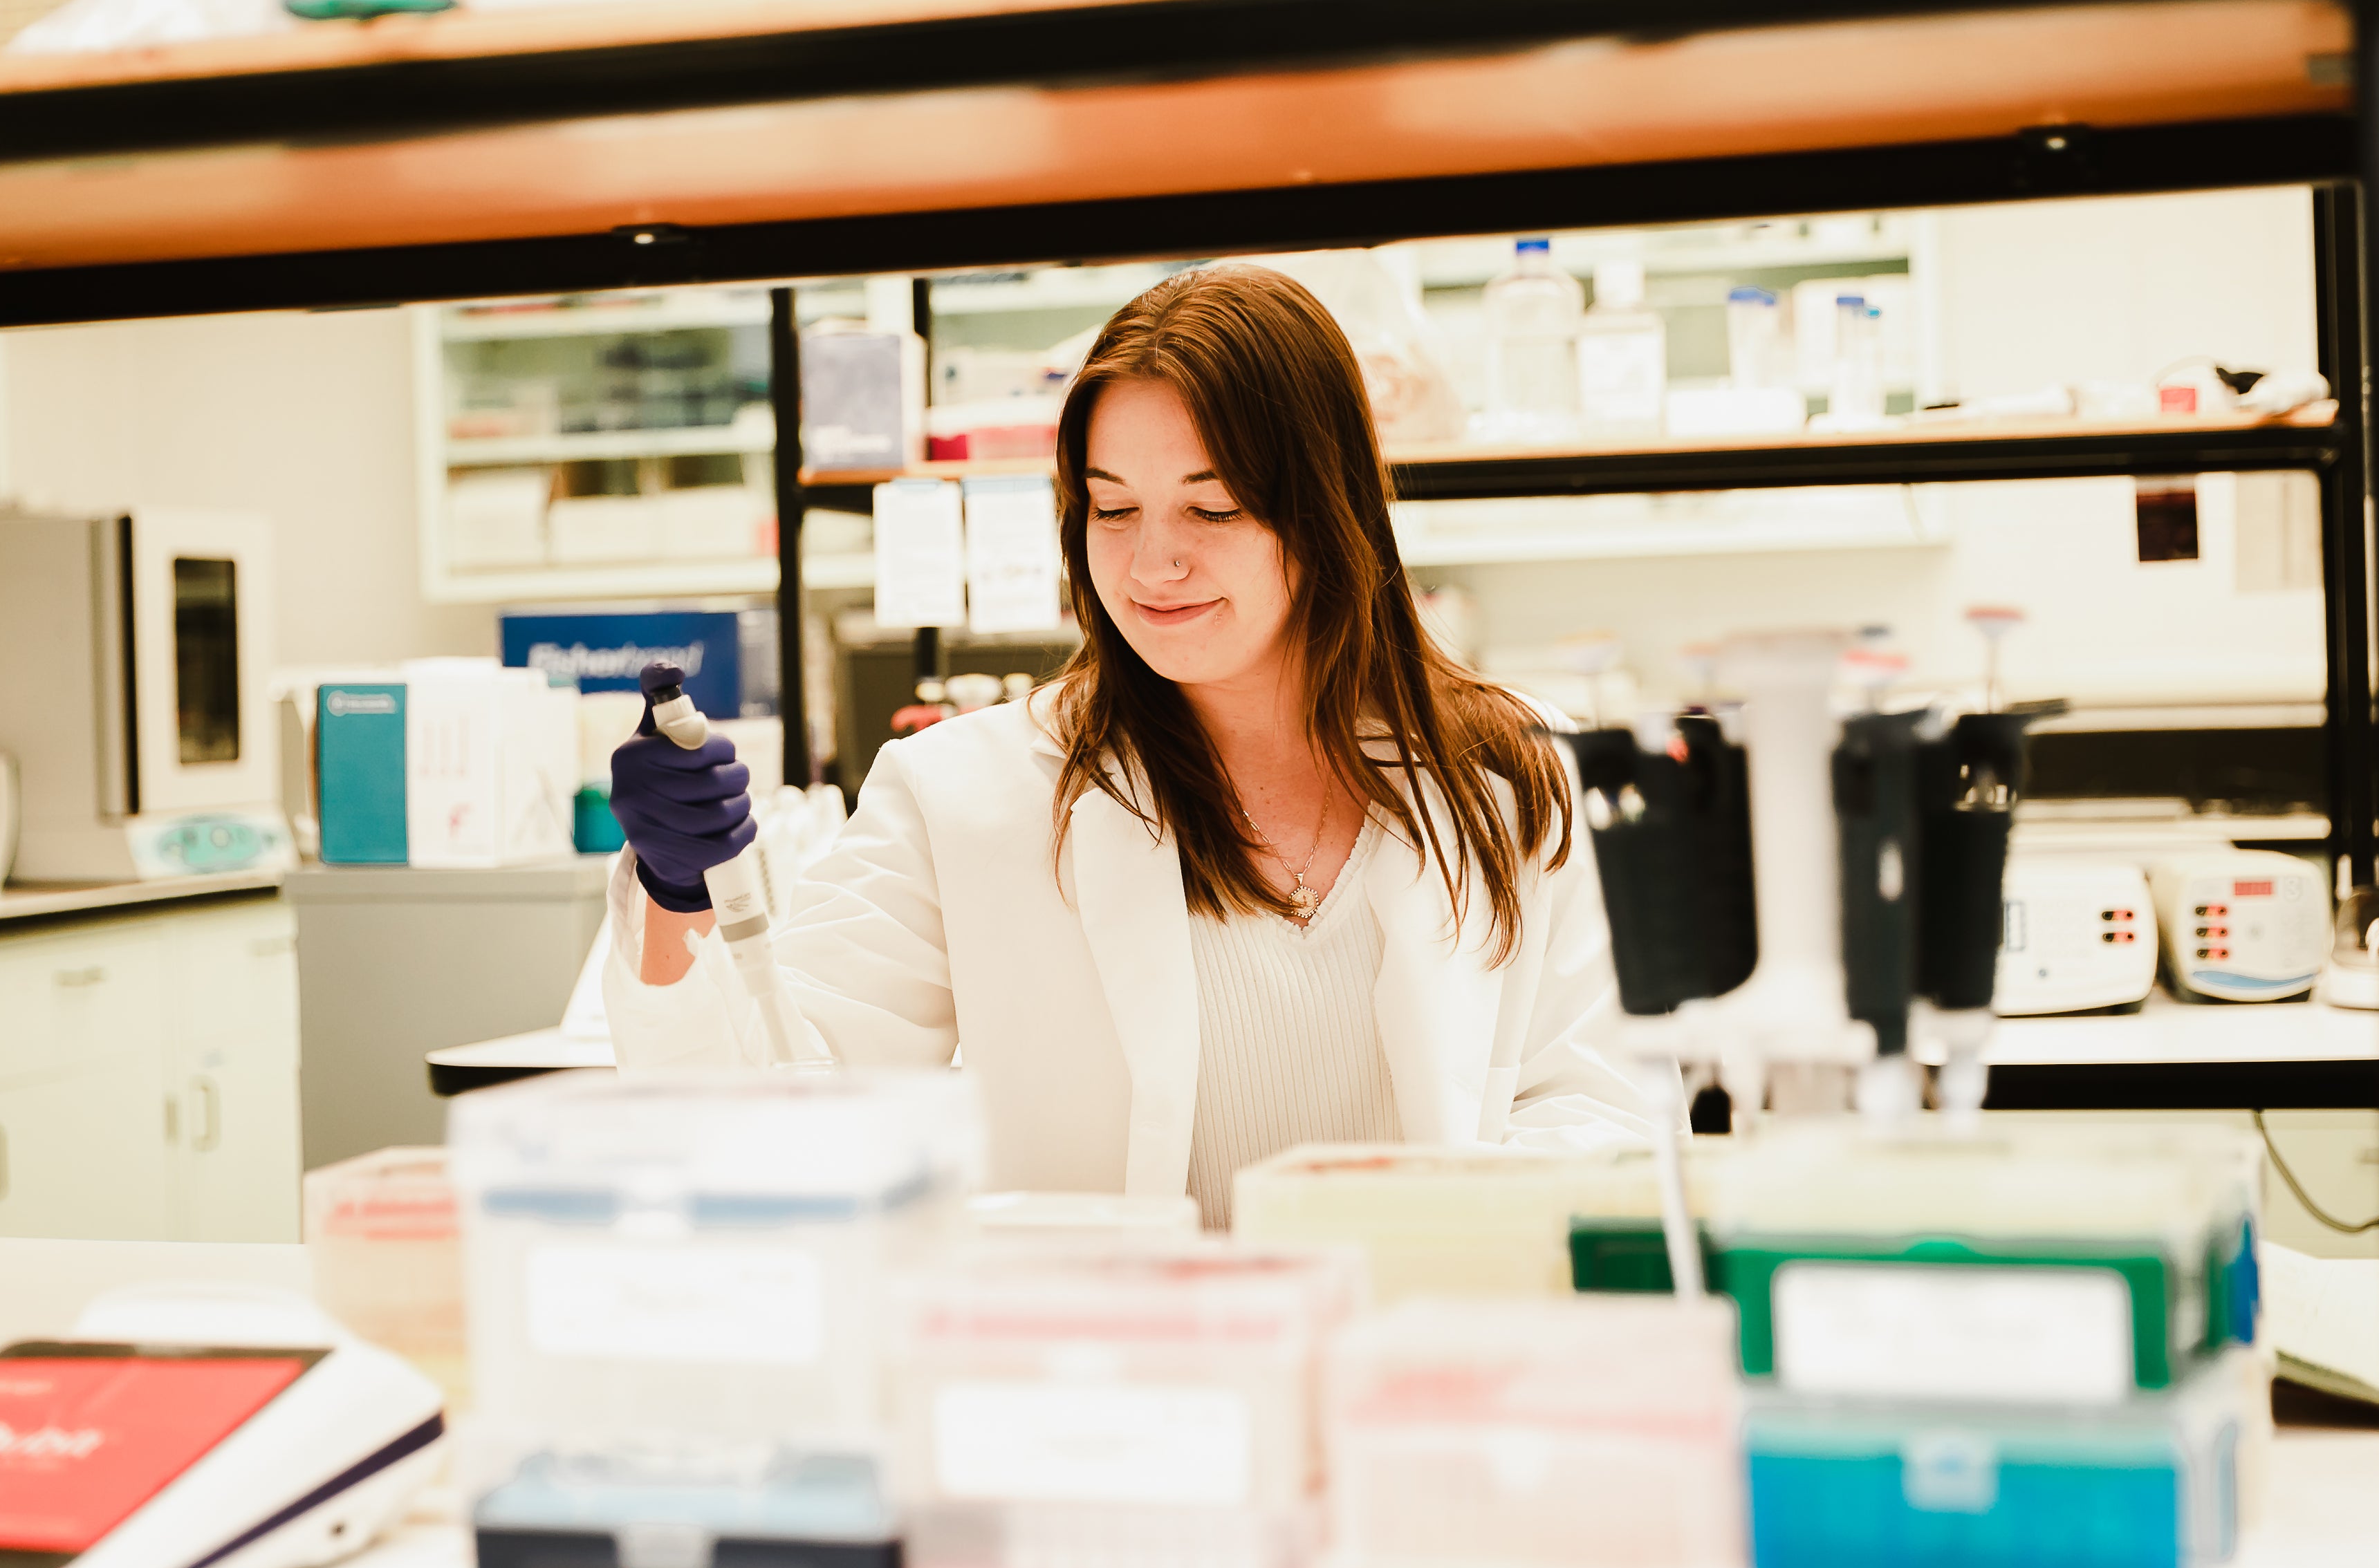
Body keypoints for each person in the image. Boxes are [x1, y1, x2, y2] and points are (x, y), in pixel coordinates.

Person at [604, 262, 1653, 1226]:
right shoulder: (967, 794)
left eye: (1214, 508)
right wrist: (680, 898)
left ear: (1330, 510)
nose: (1155, 565)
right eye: (1114, 509)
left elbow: (1595, 1114)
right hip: (1104, 1386)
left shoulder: (1511, 784)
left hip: (1415, 1378)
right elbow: (788, 1111)